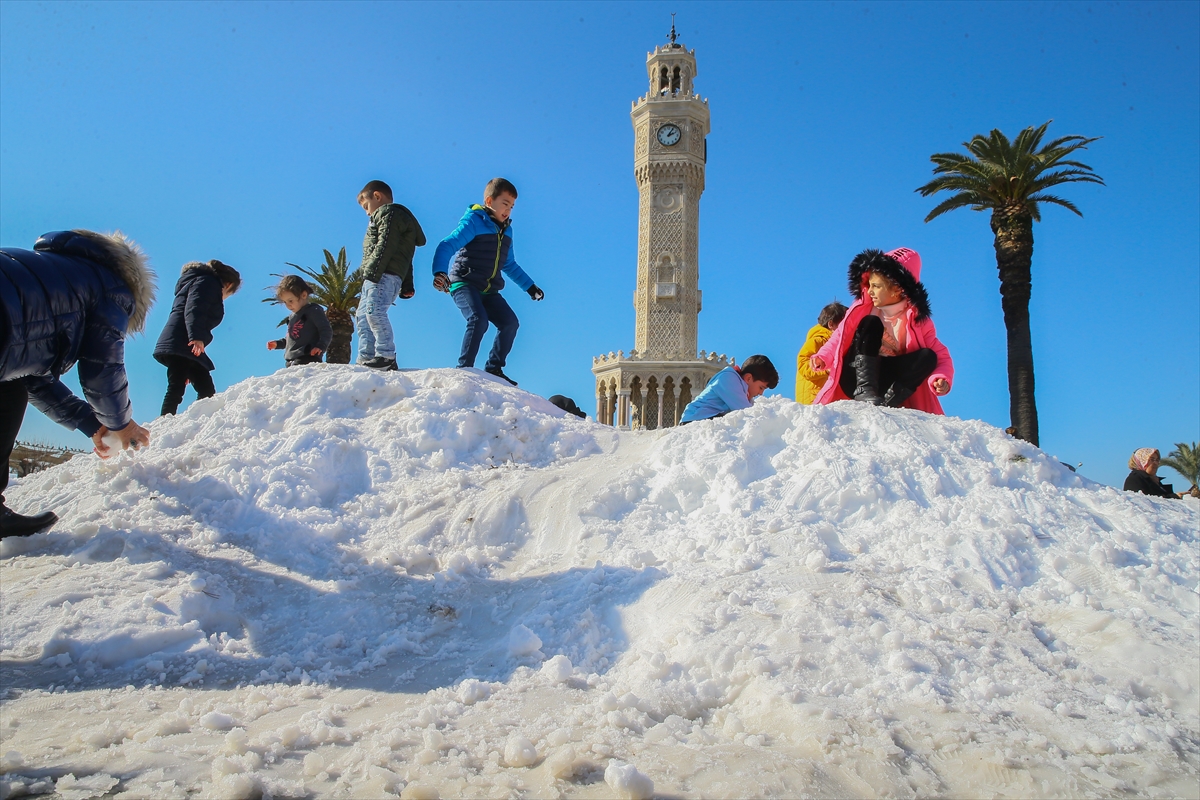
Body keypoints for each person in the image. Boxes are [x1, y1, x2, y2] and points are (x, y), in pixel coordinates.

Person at [0, 230, 155, 537]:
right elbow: (102, 368)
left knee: (9, 390)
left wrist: (92, 423)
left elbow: (31, 378)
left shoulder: (56, 272)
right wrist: (120, 424)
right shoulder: (112, 289)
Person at [811, 248, 953, 413]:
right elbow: (840, 336)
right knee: (871, 323)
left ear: (898, 289)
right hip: (855, 376)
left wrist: (941, 378)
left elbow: (941, 356)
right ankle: (865, 390)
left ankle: (890, 399)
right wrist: (823, 356)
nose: (870, 291)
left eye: (876, 286)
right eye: (869, 285)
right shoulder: (864, 309)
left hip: (887, 382)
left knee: (928, 356)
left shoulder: (917, 320)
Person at [432, 177, 544, 386]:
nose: (508, 210)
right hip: (464, 283)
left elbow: (509, 264)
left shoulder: (506, 231)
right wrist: (440, 272)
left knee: (510, 322)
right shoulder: (474, 221)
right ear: (489, 201)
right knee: (478, 319)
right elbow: (447, 245)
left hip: (489, 290)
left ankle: (494, 368)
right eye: (504, 203)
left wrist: (530, 286)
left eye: (512, 206)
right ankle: (465, 369)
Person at [154, 259, 241, 416]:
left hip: (185, 342)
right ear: (228, 285)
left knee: (205, 388)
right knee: (176, 387)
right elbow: (195, 308)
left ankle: (202, 421)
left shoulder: (198, 281)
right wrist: (196, 336)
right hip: (184, 341)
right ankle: (164, 422)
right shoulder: (208, 283)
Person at [356, 180, 426, 371]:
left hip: (382, 274)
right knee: (362, 316)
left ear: (377, 197)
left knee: (374, 312)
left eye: (366, 206)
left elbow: (386, 244)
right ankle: (366, 357)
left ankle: (386, 355)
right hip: (378, 274)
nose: (367, 212)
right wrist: (408, 284)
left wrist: (373, 270)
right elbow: (405, 255)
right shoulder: (391, 218)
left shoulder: (389, 214)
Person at [679, 355, 779, 424]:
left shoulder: (743, 392)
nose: (761, 393)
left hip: (706, 418)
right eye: (761, 388)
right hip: (696, 419)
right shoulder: (729, 379)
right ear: (748, 378)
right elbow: (746, 412)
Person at [266, 275, 333, 367]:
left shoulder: (313, 310)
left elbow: (326, 330)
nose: (288, 305)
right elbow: (292, 339)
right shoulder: (292, 317)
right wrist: (277, 344)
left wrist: (321, 346)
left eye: (290, 301)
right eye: (285, 302)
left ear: (304, 295)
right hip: (290, 362)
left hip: (308, 357)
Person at [796, 301, 847, 405]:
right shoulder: (818, 341)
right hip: (813, 397)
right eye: (843, 325)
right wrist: (827, 369)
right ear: (831, 324)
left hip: (822, 396)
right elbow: (803, 365)